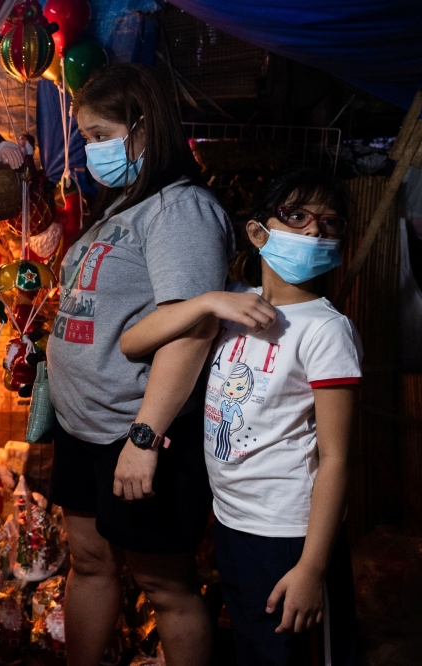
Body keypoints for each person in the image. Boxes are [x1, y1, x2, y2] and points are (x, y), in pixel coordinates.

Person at [120, 168, 359, 665]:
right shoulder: (235, 305)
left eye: (330, 224)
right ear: (257, 232)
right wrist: (207, 300)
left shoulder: (327, 331)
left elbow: (336, 458)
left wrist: (312, 569)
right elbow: (133, 341)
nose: (315, 231)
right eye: (297, 216)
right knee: (253, 647)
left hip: (291, 534)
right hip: (232, 524)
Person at [46, 63, 233, 665]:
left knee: (166, 586)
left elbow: (192, 329)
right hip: (83, 427)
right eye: (86, 136)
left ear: (145, 128)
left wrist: (145, 437)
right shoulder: (125, 202)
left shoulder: (181, 211)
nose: (90, 148)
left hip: (135, 429)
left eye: (101, 134)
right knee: (91, 561)